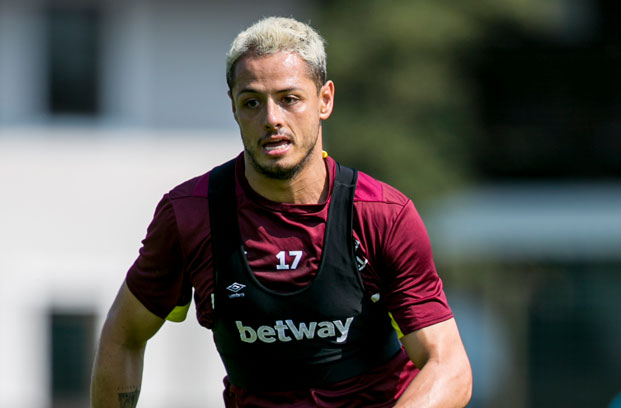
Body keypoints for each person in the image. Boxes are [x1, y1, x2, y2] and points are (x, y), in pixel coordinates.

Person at [91, 16, 472, 408]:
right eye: (252, 102)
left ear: (325, 100)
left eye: (289, 99)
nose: (271, 119)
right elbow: (124, 336)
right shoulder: (190, 215)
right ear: (234, 108)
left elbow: (449, 366)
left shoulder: (381, 215)